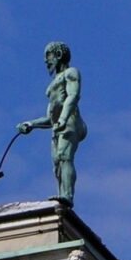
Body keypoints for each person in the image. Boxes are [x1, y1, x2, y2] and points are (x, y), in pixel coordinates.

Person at [17, 42, 87, 207]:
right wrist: (31, 124)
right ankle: (61, 195)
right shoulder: (54, 83)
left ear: (58, 55)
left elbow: (73, 96)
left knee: (64, 157)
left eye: (47, 55)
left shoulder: (71, 73)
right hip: (59, 124)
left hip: (70, 121)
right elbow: (50, 118)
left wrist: (63, 118)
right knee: (57, 165)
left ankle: (67, 195)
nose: (45, 60)